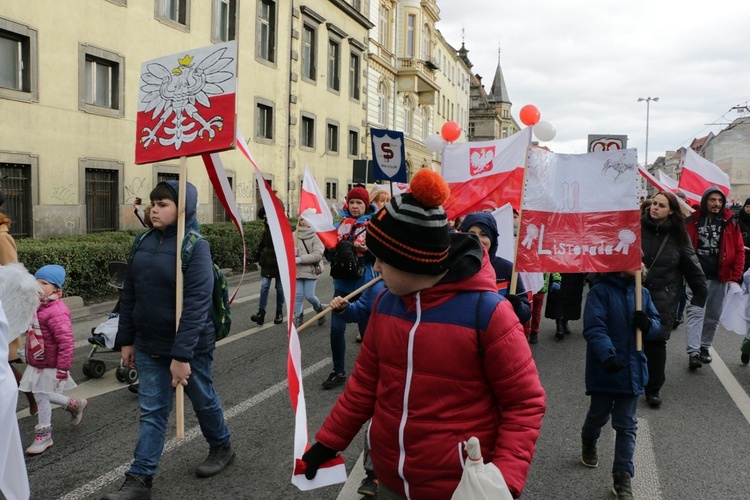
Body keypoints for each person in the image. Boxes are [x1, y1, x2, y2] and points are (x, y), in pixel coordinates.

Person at [302, 169, 546, 499]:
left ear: (414, 263)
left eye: (383, 260)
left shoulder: (487, 313)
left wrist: (505, 480)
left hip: (459, 488)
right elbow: (363, 385)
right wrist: (329, 442)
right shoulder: (387, 304)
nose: (375, 269)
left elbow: (524, 403)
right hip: (389, 480)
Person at [105, 181, 234, 499]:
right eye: (153, 203)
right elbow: (130, 294)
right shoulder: (142, 241)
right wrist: (127, 340)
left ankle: (222, 446)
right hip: (149, 344)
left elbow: (197, 304)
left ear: (183, 209)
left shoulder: (195, 246)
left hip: (189, 347)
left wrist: (181, 356)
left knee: (202, 400)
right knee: (152, 411)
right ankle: (139, 480)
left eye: (163, 203)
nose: (154, 209)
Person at [579, 270, 661, 499]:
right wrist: (607, 355)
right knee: (598, 414)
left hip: (632, 370)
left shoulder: (642, 293)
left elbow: (657, 324)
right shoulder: (600, 291)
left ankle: (622, 475)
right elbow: (594, 327)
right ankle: (588, 439)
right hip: (606, 369)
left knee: (626, 425)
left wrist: (647, 325)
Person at [641, 191, 706, 406]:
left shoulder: (679, 235)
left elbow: (691, 263)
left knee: (656, 343)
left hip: (663, 295)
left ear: (671, 211)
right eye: (654, 203)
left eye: (661, 205)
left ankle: (653, 389)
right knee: (628, 339)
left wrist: (700, 291)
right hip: (634, 293)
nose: (655, 207)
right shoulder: (635, 229)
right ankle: (629, 383)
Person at [18, 265, 87, 455]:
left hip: (50, 362)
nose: (38, 286)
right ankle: (75, 404)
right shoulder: (37, 305)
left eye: (44, 283)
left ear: (56, 289)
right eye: (36, 282)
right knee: (43, 394)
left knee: (40, 396)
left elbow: (66, 342)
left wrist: (63, 369)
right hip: (38, 360)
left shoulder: (57, 311)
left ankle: (44, 435)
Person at [329, 276, 386, 497]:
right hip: (383, 367)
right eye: (377, 259)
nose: (377, 268)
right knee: (377, 422)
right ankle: (373, 474)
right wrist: (344, 308)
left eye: (382, 260)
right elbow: (359, 310)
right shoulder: (378, 288)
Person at [684, 186, 744, 370]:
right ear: (705, 201)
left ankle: (704, 347)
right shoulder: (692, 221)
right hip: (696, 277)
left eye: (719, 200)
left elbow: (739, 250)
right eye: (712, 200)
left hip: (720, 277)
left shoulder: (730, 222)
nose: (716, 203)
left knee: (712, 315)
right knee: (695, 313)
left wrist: (735, 278)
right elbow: (682, 248)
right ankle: (693, 352)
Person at [322, 186, 375, 388]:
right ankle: (338, 371)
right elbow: (330, 257)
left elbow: (380, 257)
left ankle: (370, 372)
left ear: (366, 205)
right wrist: (330, 248)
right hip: (342, 285)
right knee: (336, 329)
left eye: (359, 203)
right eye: (352, 202)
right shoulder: (340, 225)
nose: (354, 206)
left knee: (367, 331)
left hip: (365, 284)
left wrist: (367, 251)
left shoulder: (374, 226)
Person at [0, 196, 38, 416]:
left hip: (3, 307)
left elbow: (12, 276)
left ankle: (33, 397)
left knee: (5, 360)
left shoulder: (1, 237)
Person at [459, 212, 531, 324]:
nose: (477, 239)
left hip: (497, 336)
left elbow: (526, 314)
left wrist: (517, 306)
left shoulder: (506, 269)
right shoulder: (453, 268)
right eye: (471, 233)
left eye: (483, 234)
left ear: (492, 239)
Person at [251, 206, 285, 326]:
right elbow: (264, 241)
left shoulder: (281, 224)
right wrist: (258, 253)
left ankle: (279, 312)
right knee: (264, 286)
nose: (266, 219)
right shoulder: (267, 225)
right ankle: (261, 313)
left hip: (279, 259)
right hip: (267, 260)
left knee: (280, 288)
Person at [294, 212, 326, 327]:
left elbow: (318, 254)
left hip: (311, 270)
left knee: (309, 296)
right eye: (301, 220)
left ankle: (320, 309)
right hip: (297, 271)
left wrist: (300, 259)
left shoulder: (316, 236)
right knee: (297, 295)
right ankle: (298, 317)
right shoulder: (294, 235)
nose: (303, 222)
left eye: (306, 220)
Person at [545, 272, 586, 339]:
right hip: (559, 269)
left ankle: (565, 320)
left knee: (570, 298)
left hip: (574, 271)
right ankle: (559, 322)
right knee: (558, 297)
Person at [526, 273, 561, 344]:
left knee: (536, 312)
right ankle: (526, 333)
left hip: (540, 288)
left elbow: (553, 265)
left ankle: (534, 333)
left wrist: (557, 280)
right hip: (528, 287)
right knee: (527, 311)